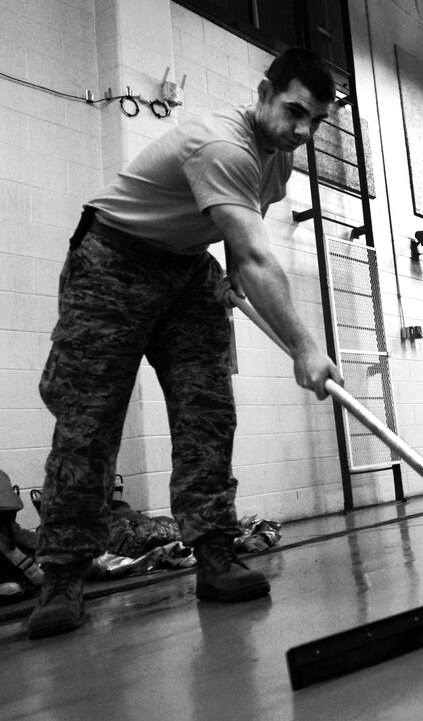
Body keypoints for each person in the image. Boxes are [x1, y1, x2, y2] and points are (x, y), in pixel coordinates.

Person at [28, 47, 344, 639]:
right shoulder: (223, 144)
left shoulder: (277, 160)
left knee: (208, 411)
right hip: (113, 259)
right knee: (89, 421)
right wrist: (305, 345)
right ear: (263, 93)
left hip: (187, 267)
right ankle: (63, 574)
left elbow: (235, 236)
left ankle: (214, 552)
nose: (302, 131)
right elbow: (255, 252)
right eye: (295, 112)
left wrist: (223, 276)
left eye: (316, 122)